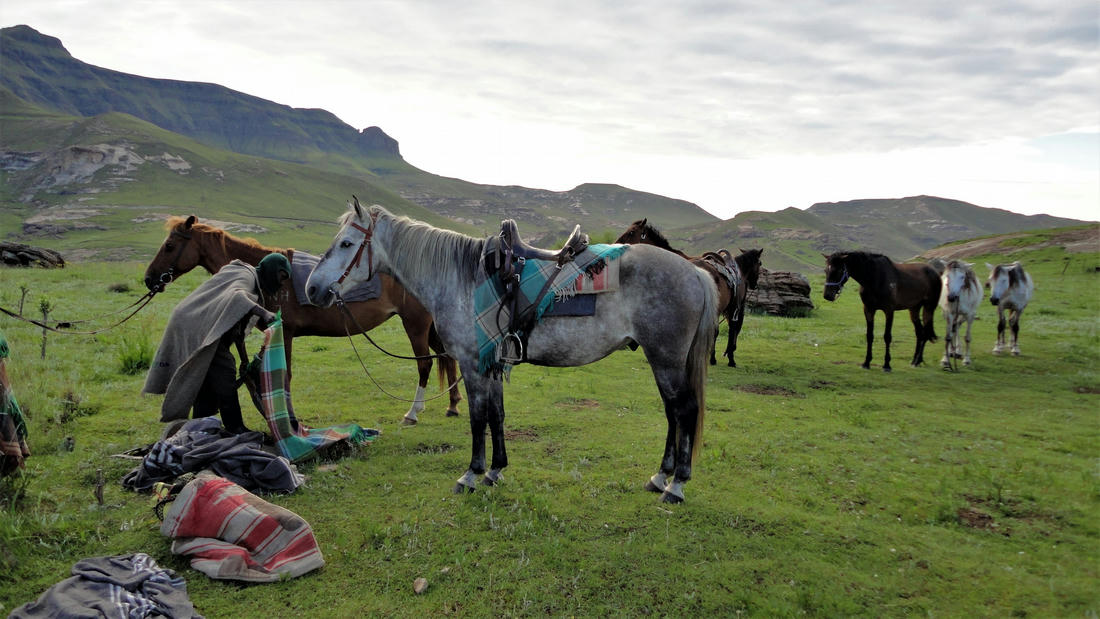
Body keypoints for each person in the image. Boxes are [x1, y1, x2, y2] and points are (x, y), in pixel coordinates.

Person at [143, 253, 291, 433]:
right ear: (271, 270)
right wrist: (264, 313)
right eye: (281, 277)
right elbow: (237, 297)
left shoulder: (248, 278)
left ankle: (201, 424)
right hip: (196, 324)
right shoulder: (246, 276)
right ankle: (235, 426)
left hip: (194, 321)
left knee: (205, 374)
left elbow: (234, 327)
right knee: (225, 371)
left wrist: (244, 360)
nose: (282, 283)